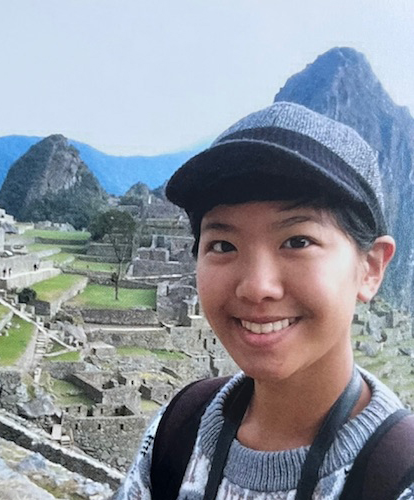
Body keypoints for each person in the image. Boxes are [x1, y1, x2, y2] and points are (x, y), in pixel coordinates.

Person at [115, 102, 413, 499]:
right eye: (223, 244)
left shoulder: (398, 478)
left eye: (297, 241)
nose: (256, 287)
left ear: (371, 268)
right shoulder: (176, 432)